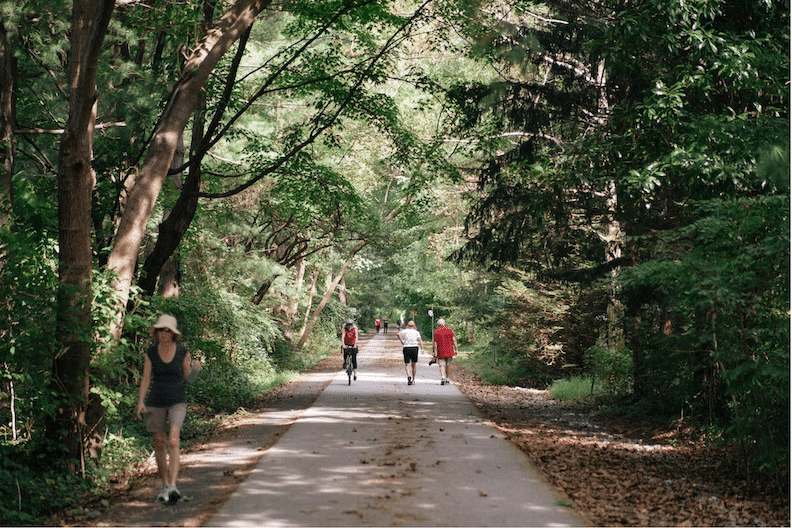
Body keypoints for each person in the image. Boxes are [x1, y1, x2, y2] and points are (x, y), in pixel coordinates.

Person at [136, 314, 202, 504]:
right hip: (155, 401)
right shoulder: (151, 352)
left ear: (173, 334)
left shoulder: (182, 351)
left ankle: (173, 486)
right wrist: (140, 402)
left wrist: (196, 370)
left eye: (167, 330)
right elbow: (146, 378)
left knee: (173, 440)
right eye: (161, 330)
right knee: (159, 442)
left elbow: (188, 379)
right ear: (156, 333)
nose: (164, 333)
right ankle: (164, 485)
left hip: (177, 401)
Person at [432, 318, 459, 385]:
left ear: (438, 325)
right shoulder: (450, 330)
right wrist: (456, 349)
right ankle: (447, 378)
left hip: (440, 351)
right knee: (448, 365)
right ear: (444, 324)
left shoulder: (437, 332)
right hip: (449, 351)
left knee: (442, 365)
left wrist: (435, 352)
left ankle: (443, 377)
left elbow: (435, 343)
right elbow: (454, 340)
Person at [397, 320, 424, 385]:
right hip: (414, 348)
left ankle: (409, 375)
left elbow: (398, 334)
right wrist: (422, 348)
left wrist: (401, 341)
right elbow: (420, 340)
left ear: (407, 325)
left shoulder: (404, 331)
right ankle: (413, 379)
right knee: (414, 364)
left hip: (406, 347)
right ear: (414, 326)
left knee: (407, 363)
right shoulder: (416, 332)